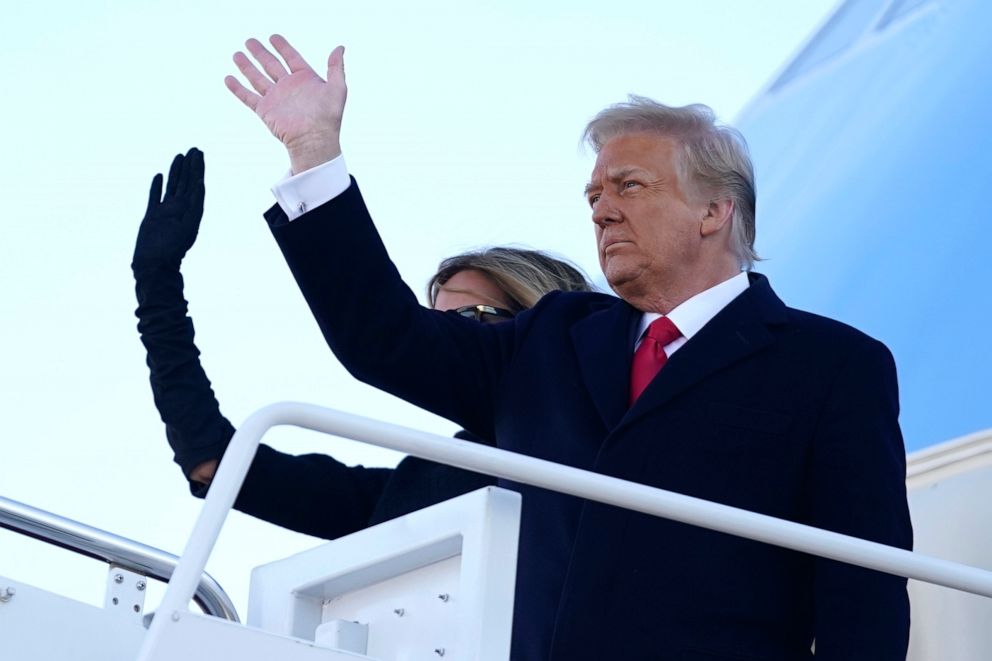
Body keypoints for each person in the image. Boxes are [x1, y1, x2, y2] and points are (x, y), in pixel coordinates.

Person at [223, 36, 912, 660]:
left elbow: (865, 601)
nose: (602, 210)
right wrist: (316, 156)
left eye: (629, 186)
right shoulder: (549, 336)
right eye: (593, 195)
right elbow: (385, 339)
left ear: (715, 209)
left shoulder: (833, 366)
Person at [131, 147, 594, 538]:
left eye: (473, 318)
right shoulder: (416, 487)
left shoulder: (612, 440)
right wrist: (157, 285)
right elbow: (213, 460)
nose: (446, 337)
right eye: (434, 322)